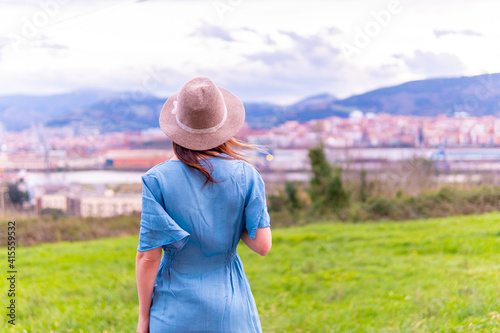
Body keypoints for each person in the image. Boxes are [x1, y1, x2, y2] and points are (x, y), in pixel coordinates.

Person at [135, 77, 272, 333]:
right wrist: (231, 221)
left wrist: (144, 318)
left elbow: (148, 258)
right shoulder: (247, 175)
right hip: (230, 309)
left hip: (173, 311)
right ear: (223, 127)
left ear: (177, 129)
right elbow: (262, 245)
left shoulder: (156, 180)